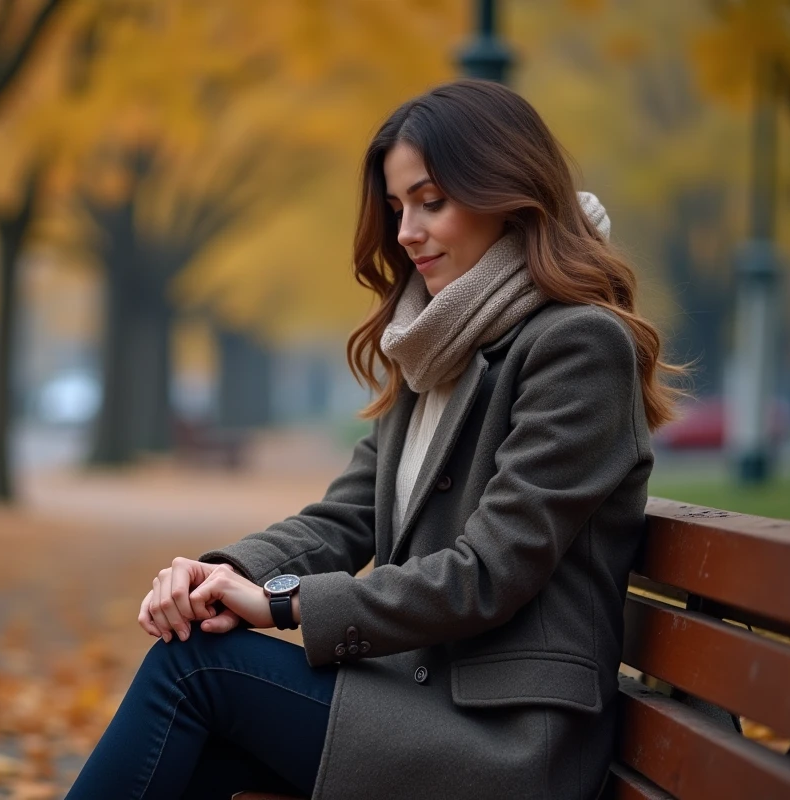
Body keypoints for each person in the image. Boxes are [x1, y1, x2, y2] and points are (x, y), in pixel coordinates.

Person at [66, 79, 684, 800]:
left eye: (431, 202)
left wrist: (285, 604)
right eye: (397, 209)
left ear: (509, 195)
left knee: (194, 672)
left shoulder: (576, 346)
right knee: (193, 726)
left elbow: (488, 573)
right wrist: (222, 574)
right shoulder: (439, 343)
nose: (406, 233)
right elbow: (347, 516)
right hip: (417, 701)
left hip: (507, 741)